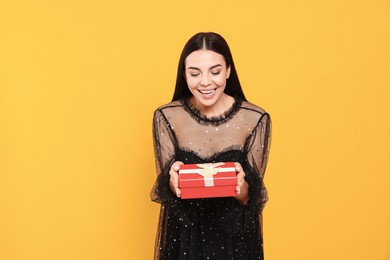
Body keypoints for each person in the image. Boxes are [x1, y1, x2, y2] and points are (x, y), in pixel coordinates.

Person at [150, 32, 272, 260]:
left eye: (215, 71)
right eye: (194, 73)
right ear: (184, 75)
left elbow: (250, 200)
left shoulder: (254, 119)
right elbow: (171, 195)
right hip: (185, 241)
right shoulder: (166, 117)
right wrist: (173, 182)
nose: (205, 82)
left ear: (228, 71)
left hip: (235, 243)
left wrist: (240, 185)